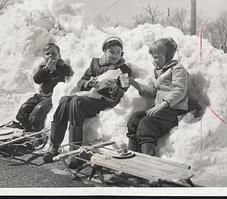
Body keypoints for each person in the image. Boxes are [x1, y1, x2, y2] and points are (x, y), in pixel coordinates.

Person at [43, 36, 133, 167]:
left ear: (122, 53)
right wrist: (88, 83)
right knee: (64, 100)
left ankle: (74, 152)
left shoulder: (123, 69)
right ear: (104, 51)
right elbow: (81, 82)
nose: (115, 55)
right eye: (111, 52)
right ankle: (54, 146)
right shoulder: (95, 64)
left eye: (118, 52)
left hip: (104, 100)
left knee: (76, 102)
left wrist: (114, 87)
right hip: (89, 95)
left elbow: (123, 91)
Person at [126, 37, 189, 156]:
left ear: (168, 55)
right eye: (153, 56)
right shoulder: (156, 71)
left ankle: (147, 160)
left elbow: (179, 91)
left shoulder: (178, 69)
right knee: (134, 119)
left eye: (156, 56)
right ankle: (132, 155)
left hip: (174, 110)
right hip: (160, 109)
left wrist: (163, 104)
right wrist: (133, 83)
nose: (154, 60)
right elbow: (151, 92)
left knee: (146, 124)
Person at [15, 43, 73, 132]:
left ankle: (37, 134)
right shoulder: (43, 67)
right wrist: (45, 70)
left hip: (52, 97)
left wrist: (53, 71)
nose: (50, 56)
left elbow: (60, 83)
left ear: (59, 55)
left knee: (37, 113)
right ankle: (27, 130)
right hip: (41, 96)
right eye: (47, 54)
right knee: (24, 109)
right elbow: (37, 80)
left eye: (53, 53)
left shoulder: (63, 67)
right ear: (43, 57)